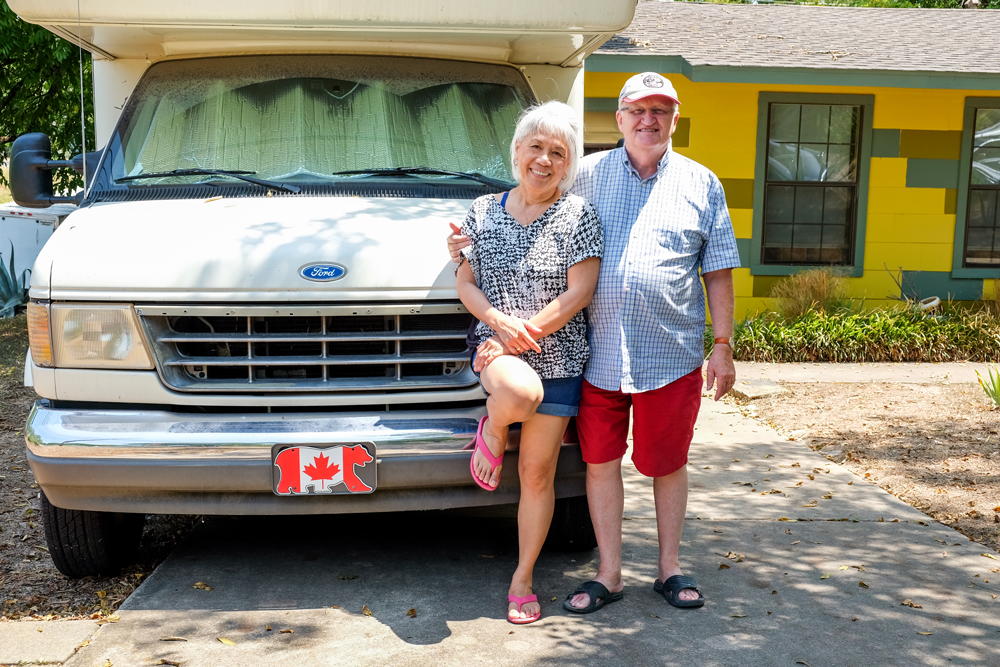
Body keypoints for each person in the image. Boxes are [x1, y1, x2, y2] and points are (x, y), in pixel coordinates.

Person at [449, 73, 739, 612]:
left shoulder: (703, 182)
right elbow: (529, 210)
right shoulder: (587, 174)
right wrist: (461, 249)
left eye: (661, 110)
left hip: (668, 354)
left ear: (675, 118)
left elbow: (718, 271)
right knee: (600, 462)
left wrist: (721, 344)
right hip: (600, 355)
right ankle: (608, 574)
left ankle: (670, 568)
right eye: (638, 110)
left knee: (667, 462)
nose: (649, 120)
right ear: (620, 118)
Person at [455, 101, 603, 624]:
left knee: (537, 474)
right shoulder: (480, 211)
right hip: (496, 347)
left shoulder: (578, 214)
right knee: (519, 395)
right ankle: (493, 431)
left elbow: (579, 293)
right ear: (516, 151)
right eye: (535, 147)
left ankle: (523, 577)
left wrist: (523, 334)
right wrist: (497, 323)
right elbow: (465, 283)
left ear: (569, 164)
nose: (544, 159)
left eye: (558, 152)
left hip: (559, 354)